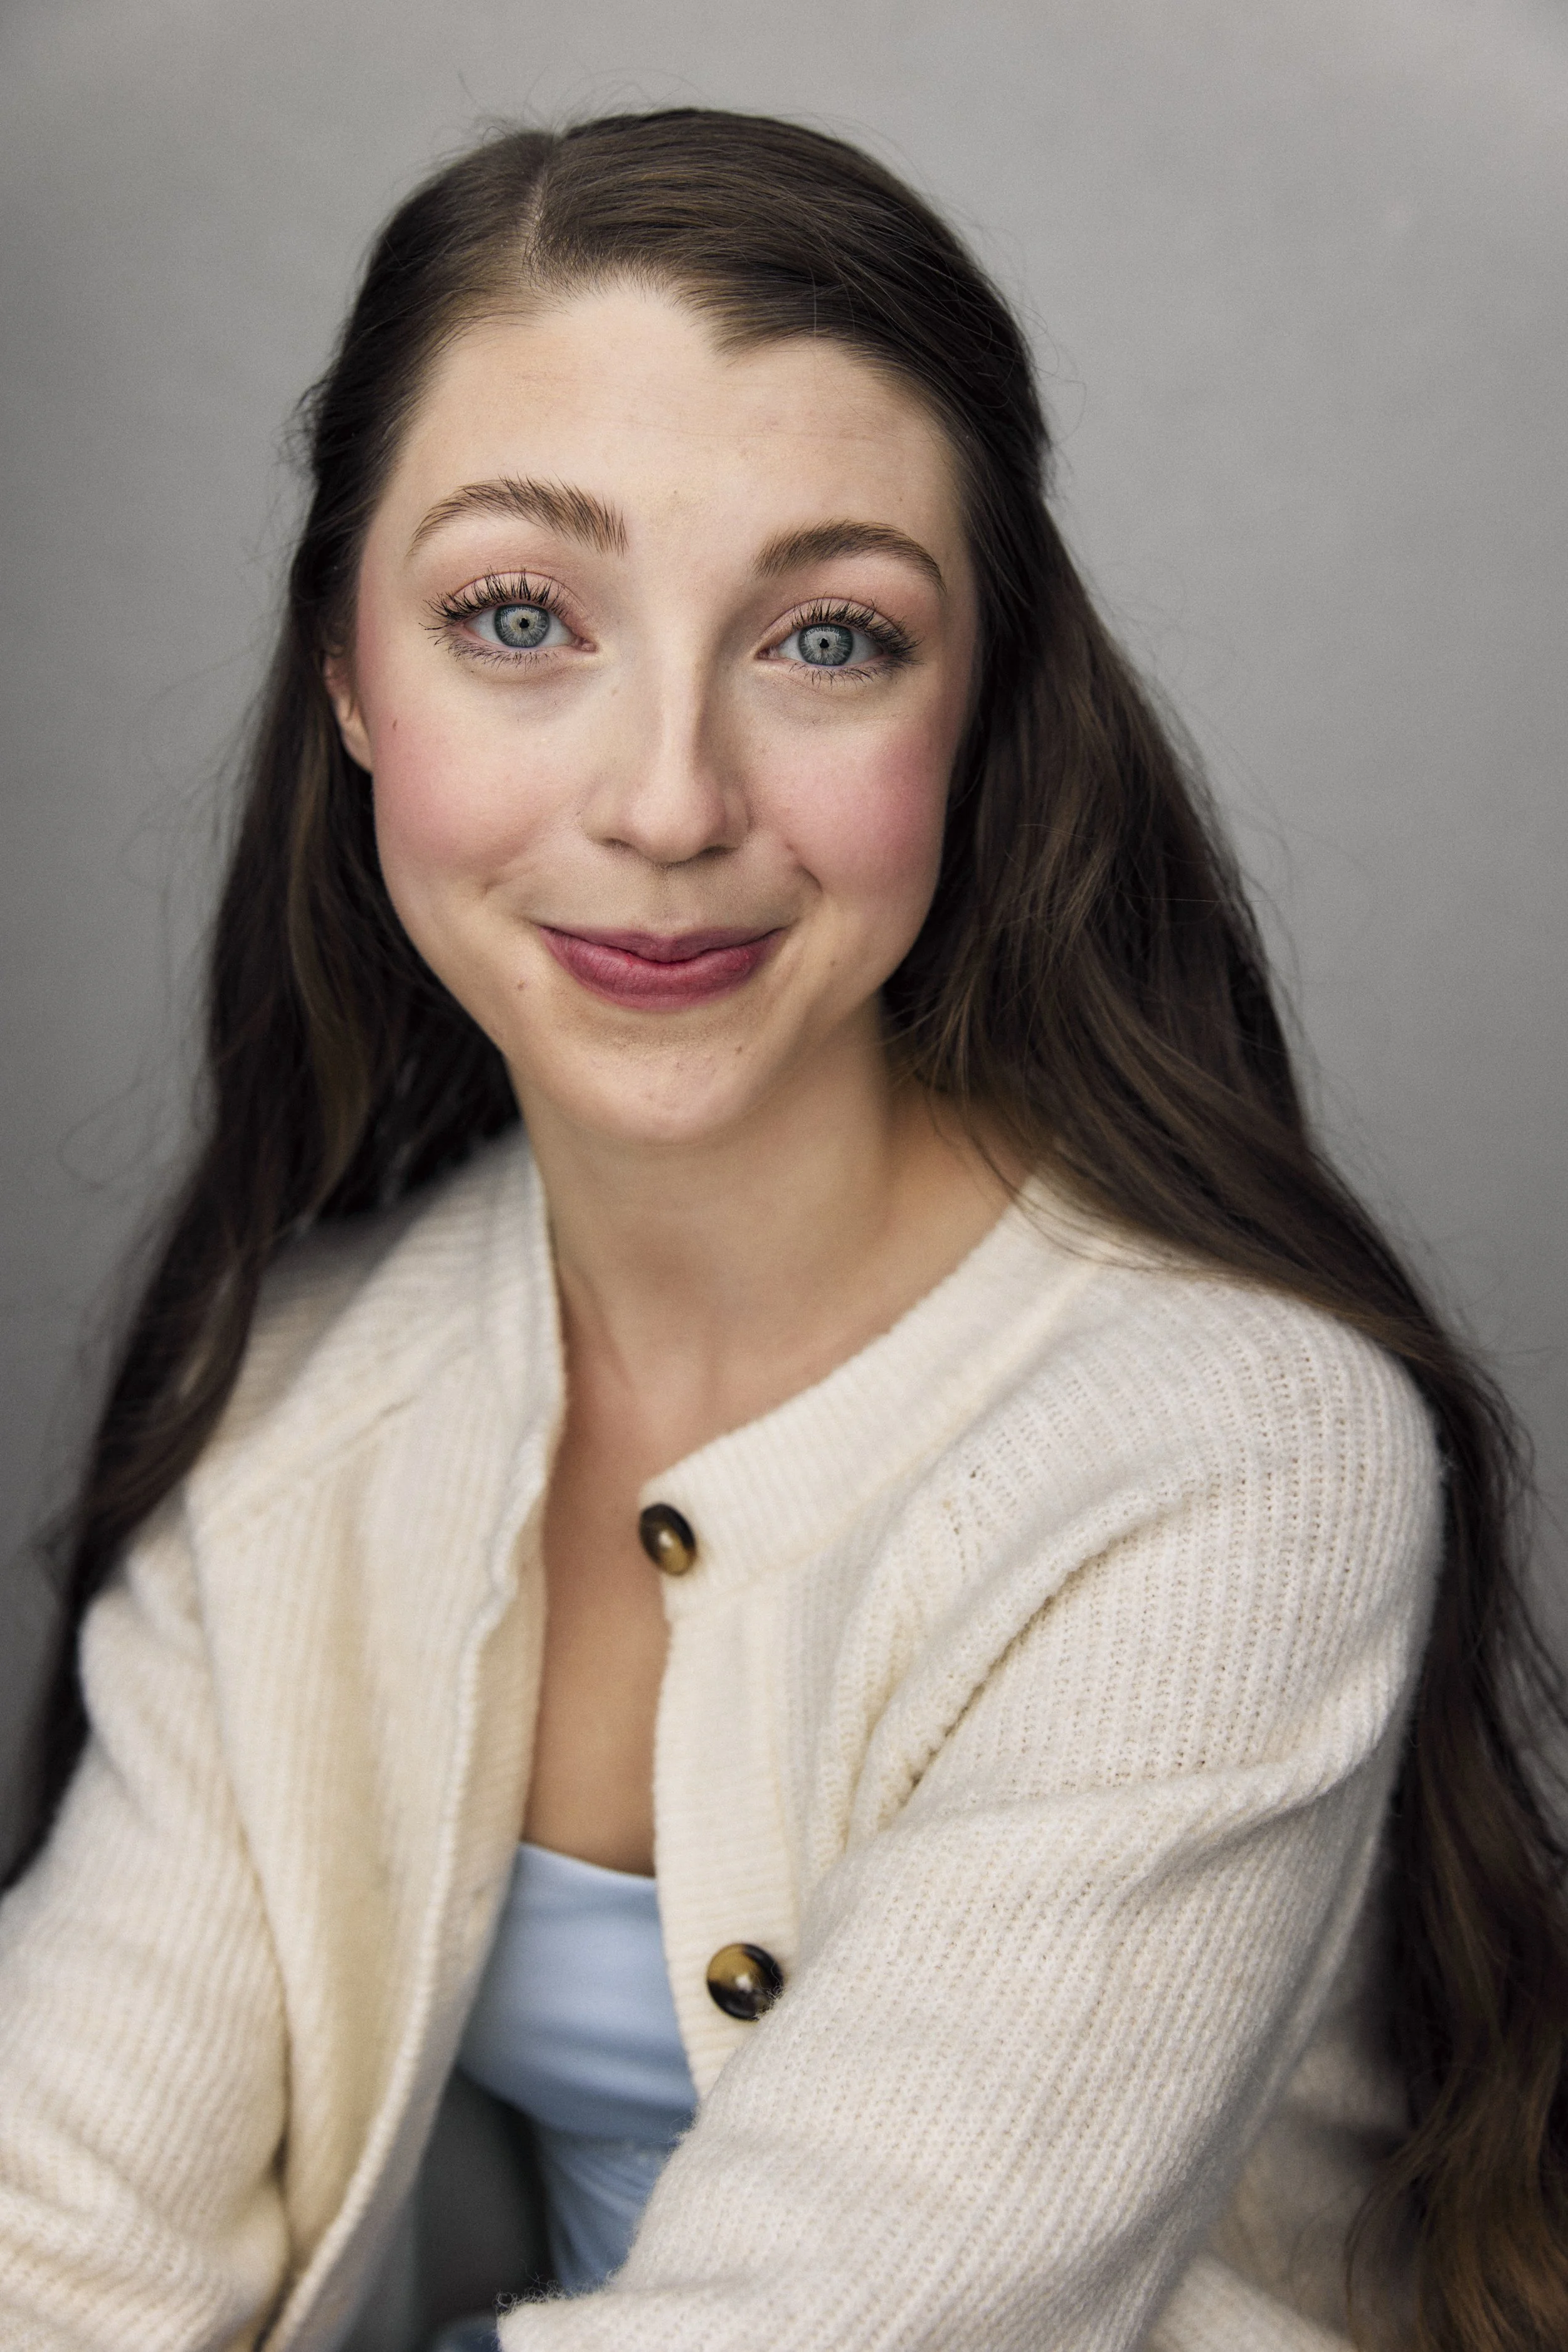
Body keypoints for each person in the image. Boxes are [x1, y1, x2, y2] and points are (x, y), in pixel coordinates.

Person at [0, 105, 1564, 2352]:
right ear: (351, 676)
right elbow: (49, 2248)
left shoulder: (1231, 1450)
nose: (667, 800)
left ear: (982, 710)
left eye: (827, 637)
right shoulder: (303, 1391)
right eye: (517, 615)